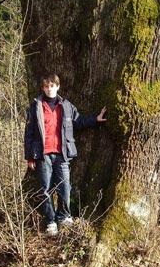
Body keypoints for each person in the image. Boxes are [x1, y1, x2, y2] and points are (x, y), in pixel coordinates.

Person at [24, 73, 107, 236]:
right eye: (46, 86)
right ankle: (50, 222)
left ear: (58, 87)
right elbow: (29, 133)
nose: (49, 89)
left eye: (52, 86)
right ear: (43, 88)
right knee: (45, 189)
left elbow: (78, 121)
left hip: (62, 153)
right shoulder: (36, 107)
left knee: (65, 187)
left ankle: (64, 216)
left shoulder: (66, 105)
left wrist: (95, 119)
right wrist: (29, 157)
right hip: (43, 155)